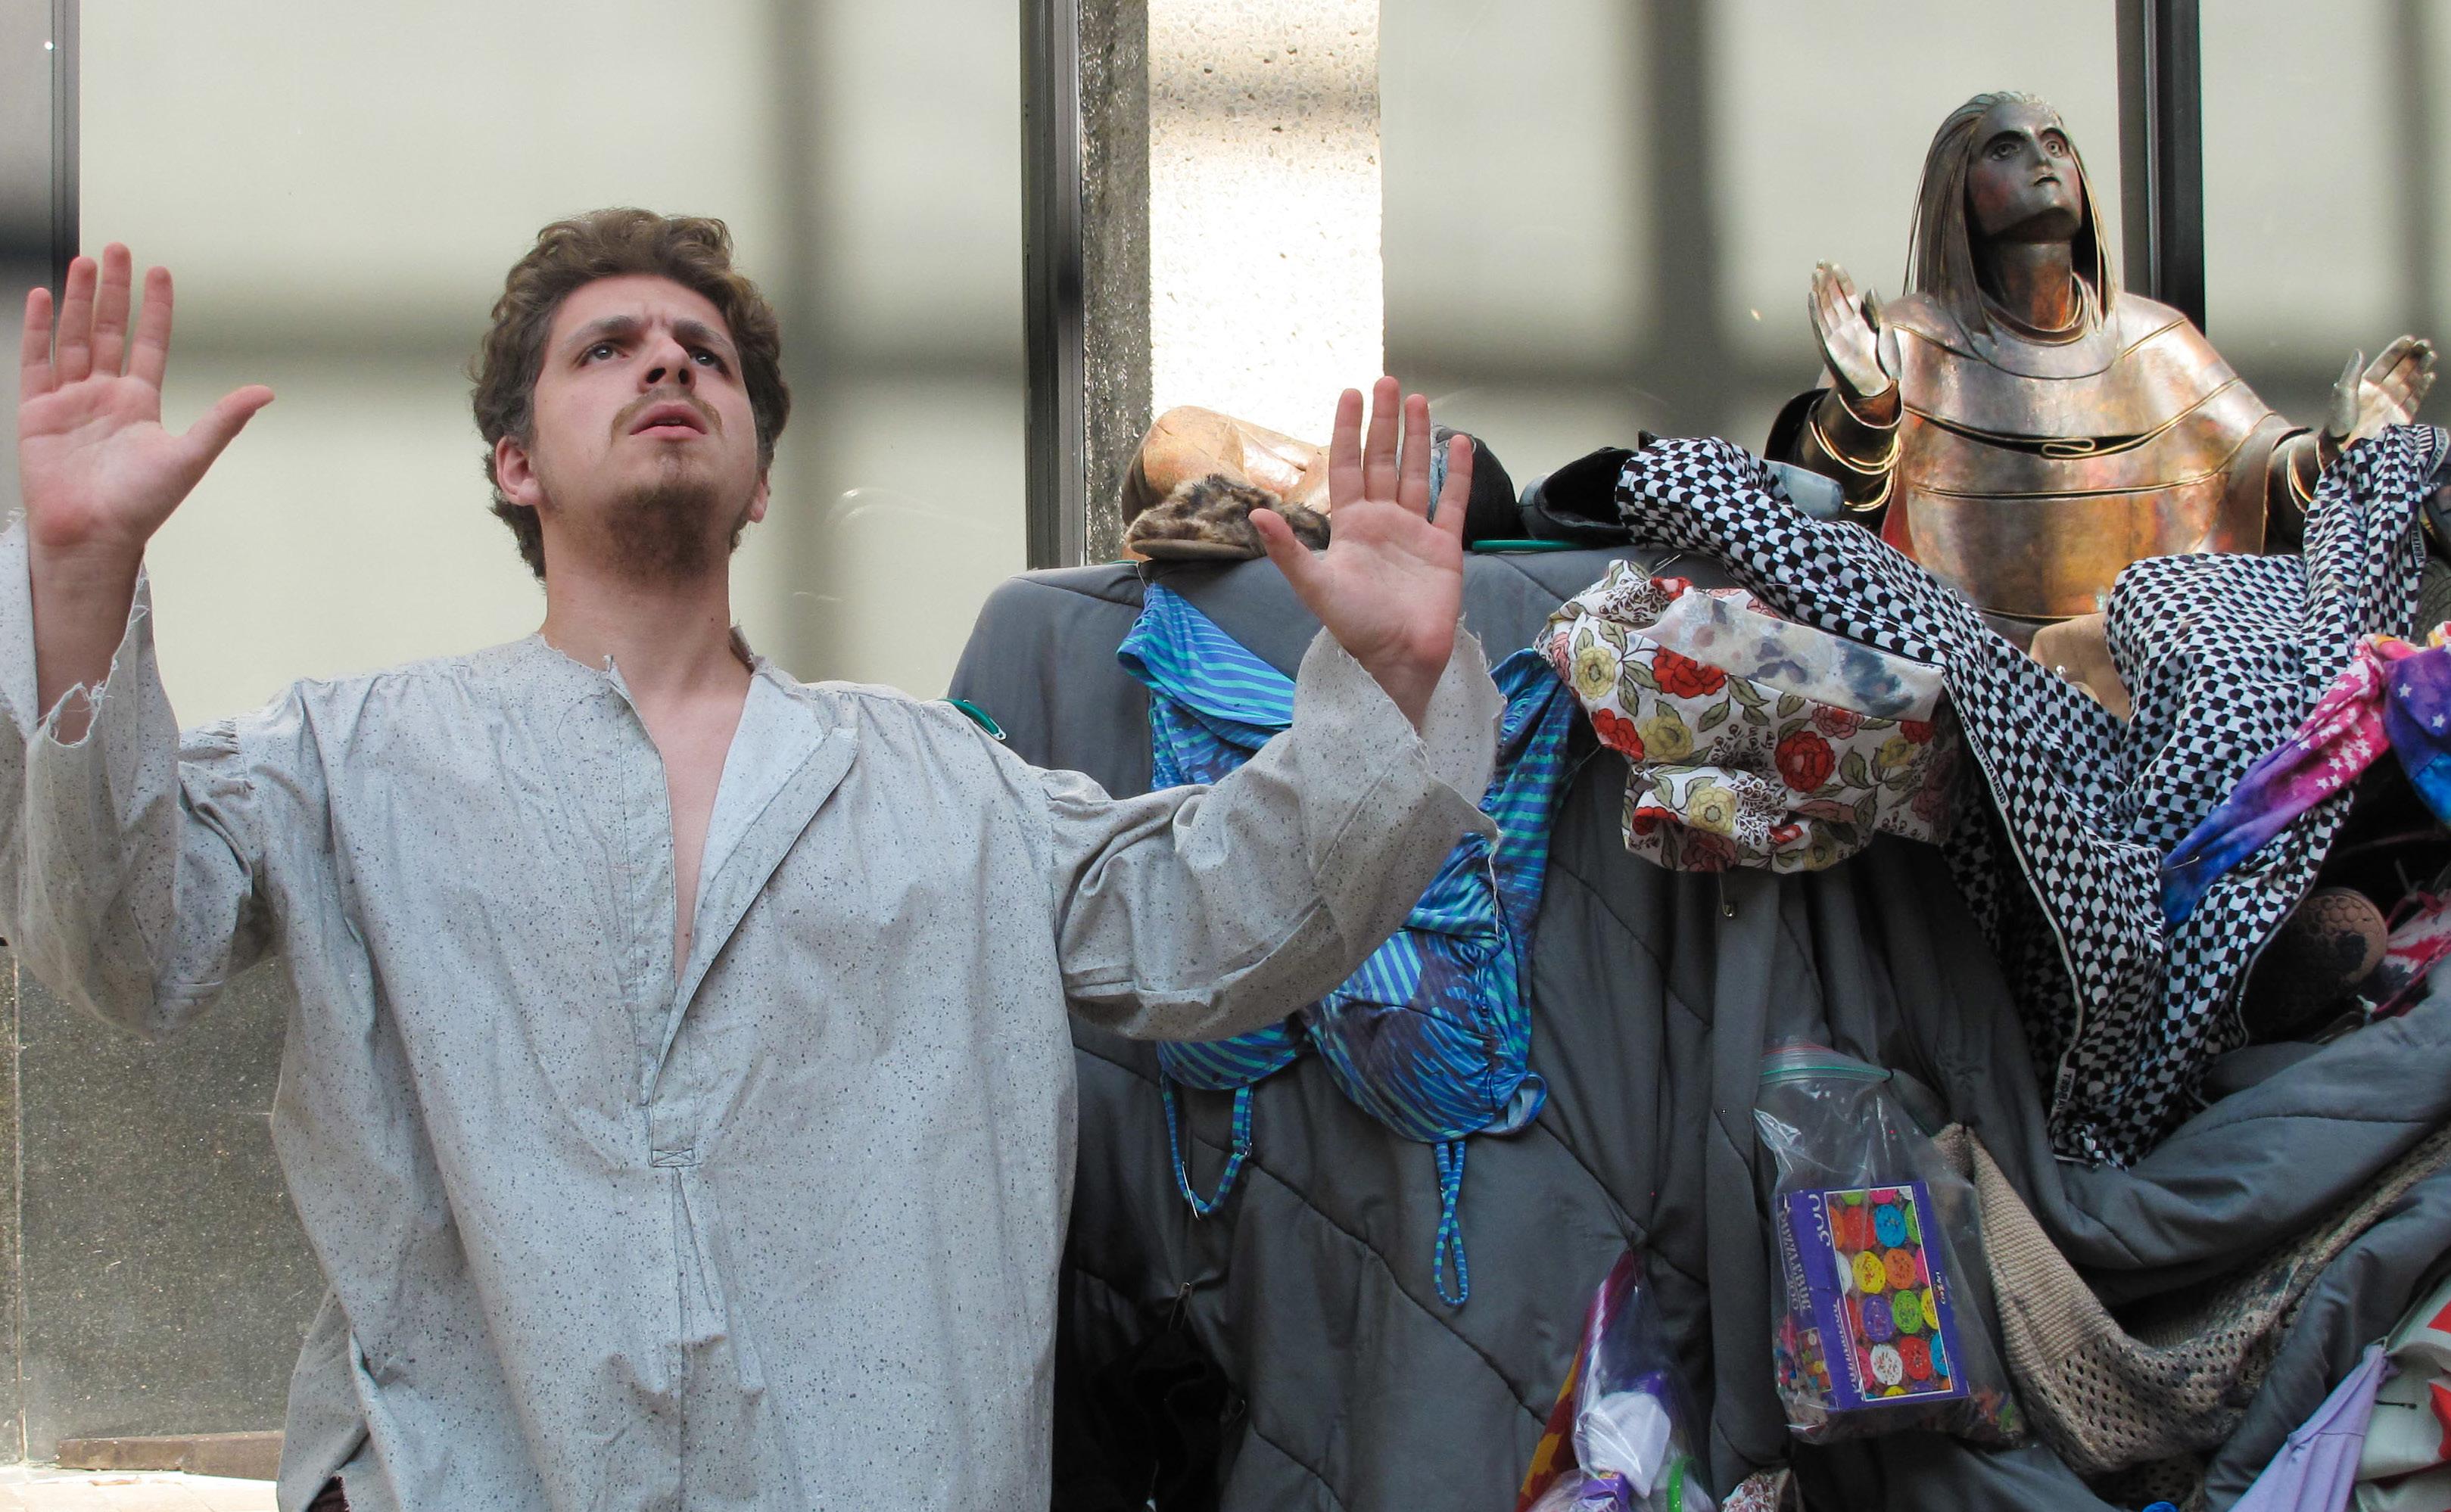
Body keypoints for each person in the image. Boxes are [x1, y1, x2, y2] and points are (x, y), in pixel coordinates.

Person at [7, 209, 1501, 1510]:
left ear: (763, 481)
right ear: (516, 464)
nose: (664, 363)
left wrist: (1388, 684)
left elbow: (1210, 925)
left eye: (703, 356)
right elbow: (128, 946)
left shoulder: (948, 785)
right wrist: (79, 575)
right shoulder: (351, 760)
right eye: (606, 350)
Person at [1772, 90, 2435, 652]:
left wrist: (2337, 452)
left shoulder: (2154, 341)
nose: (2042, 162)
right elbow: (1826, 530)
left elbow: (2258, 483)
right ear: (1958, 190)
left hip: (2143, 668)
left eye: (2055, 144)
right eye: (2005, 149)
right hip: (1965, 671)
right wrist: (1864, 408)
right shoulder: (1909, 342)